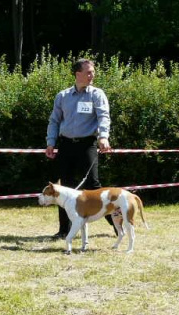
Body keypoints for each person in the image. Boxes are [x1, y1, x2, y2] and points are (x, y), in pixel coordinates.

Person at [45, 58, 115, 238]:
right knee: (64, 188)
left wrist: (103, 136)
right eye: (88, 72)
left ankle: (117, 225)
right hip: (66, 145)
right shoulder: (62, 96)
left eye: (93, 72)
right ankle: (64, 231)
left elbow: (103, 117)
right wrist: (51, 142)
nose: (92, 75)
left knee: (94, 185)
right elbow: (54, 121)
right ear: (78, 74)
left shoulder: (97, 94)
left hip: (87, 145)